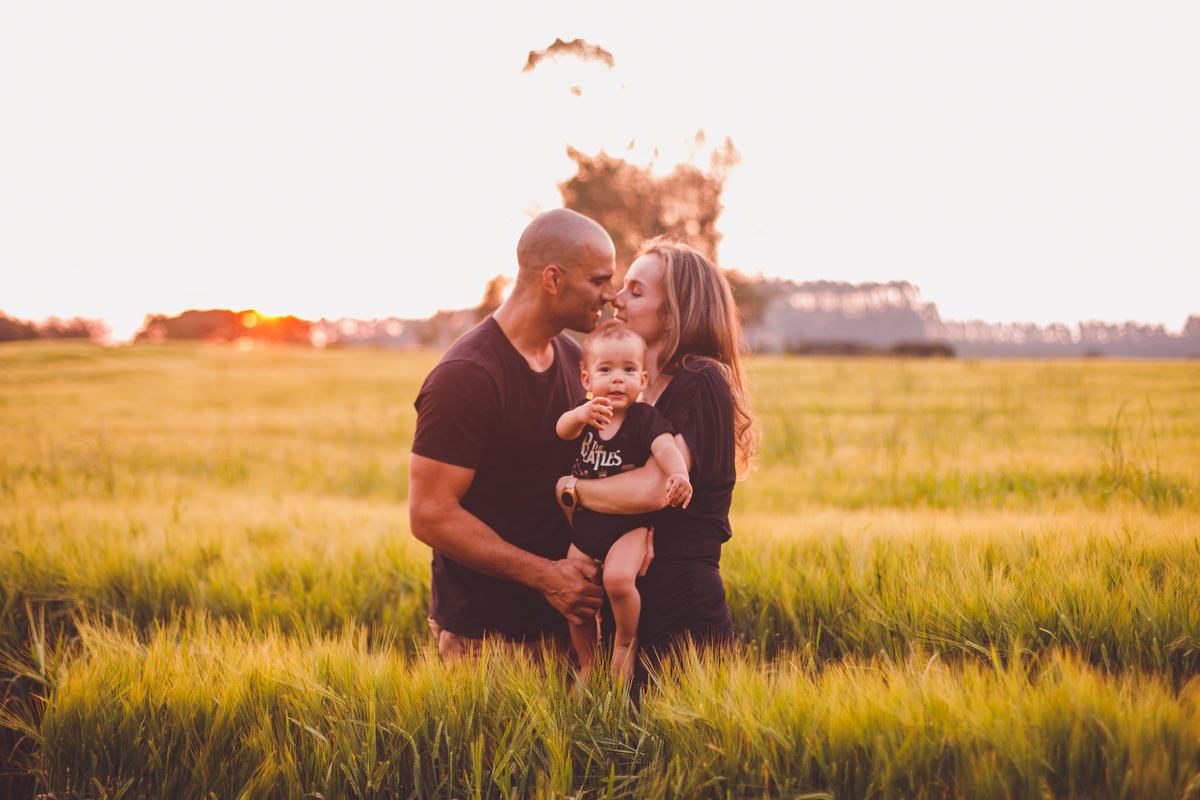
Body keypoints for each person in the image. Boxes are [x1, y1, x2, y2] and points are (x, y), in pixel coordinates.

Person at [408, 208, 617, 659]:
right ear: (553, 280)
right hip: (486, 643)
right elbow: (429, 513)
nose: (611, 295)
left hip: (570, 625)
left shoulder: (572, 357)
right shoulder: (466, 376)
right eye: (599, 280)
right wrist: (548, 577)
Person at [556, 238, 758, 686]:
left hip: (682, 607)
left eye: (635, 291)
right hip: (630, 607)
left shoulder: (701, 380)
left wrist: (571, 490)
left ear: (675, 311)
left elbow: (651, 489)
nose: (616, 299)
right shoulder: (630, 395)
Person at [555, 321, 692, 679]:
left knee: (617, 580)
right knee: (575, 592)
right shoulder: (584, 415)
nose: (618, 379)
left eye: (629, 370)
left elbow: (666, 446)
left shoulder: (644, 419)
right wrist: (579, 414)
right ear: (586, 381)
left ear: (643, 380)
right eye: (606, 370)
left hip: (627, 526)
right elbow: (561, 429)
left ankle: (623, 644)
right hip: (585, 526)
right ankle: (587, 662)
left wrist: (679, 474)